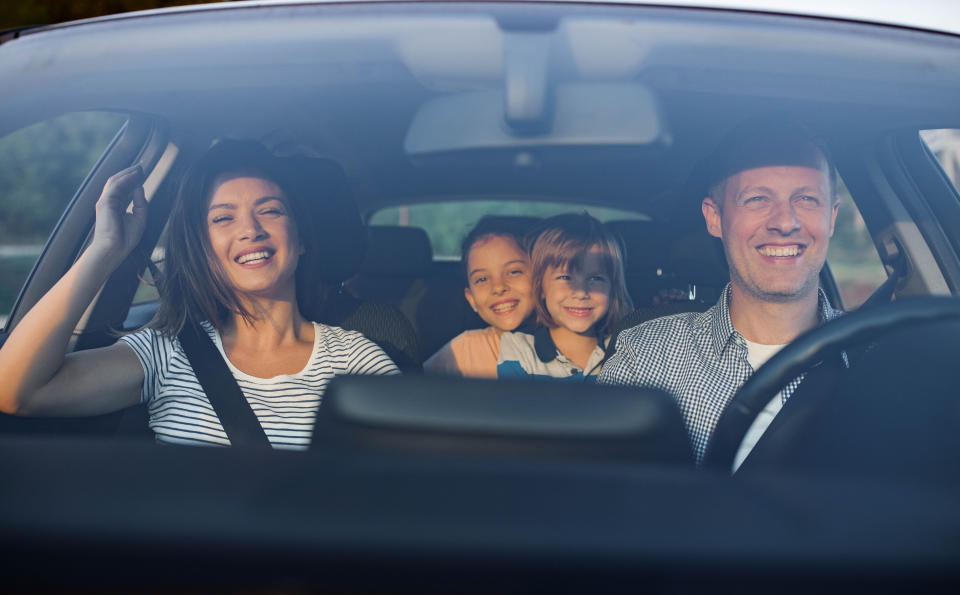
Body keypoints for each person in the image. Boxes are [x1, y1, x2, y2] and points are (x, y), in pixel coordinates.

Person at [0, 141, 398, 449]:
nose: (250, 230)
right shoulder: (166, 351)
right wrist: (104, 249)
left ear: (301, 240)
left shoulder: (355, 357)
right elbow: (16, 391)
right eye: (223, 218)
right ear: (203, 249)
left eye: (271, 211)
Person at [599, 121, 842, 465]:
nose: (785, 222)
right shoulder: (645, 357)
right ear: (714, 218)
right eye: (757, 199)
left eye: (806, 199)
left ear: (831, 218)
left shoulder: (884, 358)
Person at [497, 212, 633, 381]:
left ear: (612, 289)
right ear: (540, 288)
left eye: (595, 278)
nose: (581, 292)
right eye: (565, 277)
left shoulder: (627, 350)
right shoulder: (519, 348)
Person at [424, 216, 536, 378]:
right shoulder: (463, 351)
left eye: (513, 272)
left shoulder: (572, 344)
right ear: (471, 299)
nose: (498, 287)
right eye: (482, 279)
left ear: (541, 277)